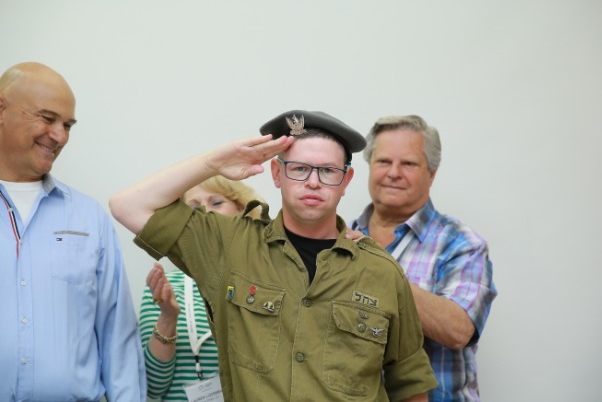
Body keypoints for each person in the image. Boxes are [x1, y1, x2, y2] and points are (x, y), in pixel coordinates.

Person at [110, 110, 438, 401]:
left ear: (346, 180)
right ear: (277, 173)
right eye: (299, 169)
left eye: (327, 171)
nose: (313, 182)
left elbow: (409, 384)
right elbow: (128, 206)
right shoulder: (229, 246)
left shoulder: (381, 271)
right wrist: (213, 163)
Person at [0, 61, 146, 400]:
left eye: (67, 125)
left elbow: (117, 337)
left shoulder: (88, 218)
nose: (60, 136)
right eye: (47, 118)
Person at [351, 115, 497, 402]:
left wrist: (376, 268)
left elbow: (458, 330)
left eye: (408, 164)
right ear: (369, 166)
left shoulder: (461, 243)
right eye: (383, 162)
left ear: (431, 173)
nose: (394, 173)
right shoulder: (339, 237)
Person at [139, 176, 264, 400]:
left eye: (216, 203)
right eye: (194, 208)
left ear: (241, 210)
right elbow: (152, 387)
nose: (205, 212)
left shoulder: (268, 283)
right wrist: (168, 317)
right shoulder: (166, 288)